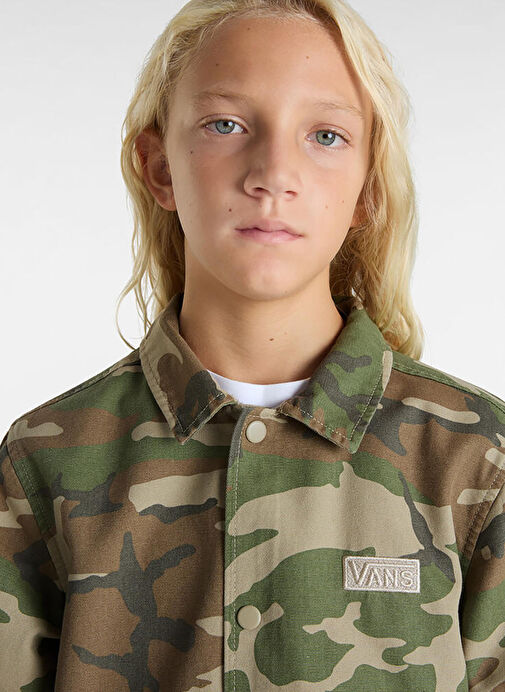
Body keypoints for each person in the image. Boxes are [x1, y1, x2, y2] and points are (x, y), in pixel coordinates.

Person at [1, 0, 504, 689]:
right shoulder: (44, 461)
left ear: (367, 187)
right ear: (159, 167)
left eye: (325, 135)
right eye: (226, 124)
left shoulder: (476, 458)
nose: (272, 173)